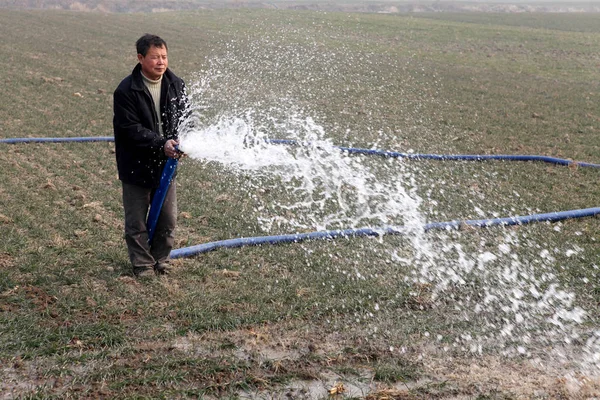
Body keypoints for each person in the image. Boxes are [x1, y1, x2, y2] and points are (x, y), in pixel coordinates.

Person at [113, 34, 187, 277]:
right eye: (155, 57)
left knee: (168, 219)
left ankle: (161, 260)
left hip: (166, 164)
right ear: (140, 58)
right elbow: (130, 129)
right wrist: (161, 143)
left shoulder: (176, 84)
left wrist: (186, 141)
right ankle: (142, 264)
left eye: (164, 56)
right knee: (137, 221)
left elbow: (188, 118)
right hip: (136, 164)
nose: (161, 62)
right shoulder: (126, 90)